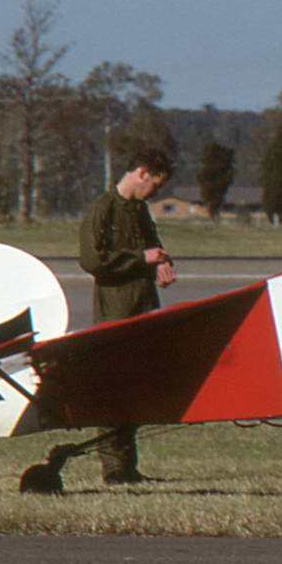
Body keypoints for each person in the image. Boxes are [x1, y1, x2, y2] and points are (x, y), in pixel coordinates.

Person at [78, 146, 177, 484]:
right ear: (142, 173)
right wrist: (142, 259)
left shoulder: (140, 212)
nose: (156, 191)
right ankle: (114, 468)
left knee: (137, 389)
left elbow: (153, 248)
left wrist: (163, 262)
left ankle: (128, 466)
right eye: (156, 184)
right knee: (112, 389)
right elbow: (93, 260)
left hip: (144, 309)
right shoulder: (102, 209)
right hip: (116, 312)